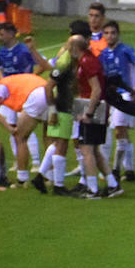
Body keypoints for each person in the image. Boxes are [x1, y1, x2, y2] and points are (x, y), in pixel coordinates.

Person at [98, 20, 135, 182]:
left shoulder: (126, 50)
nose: (110, 36)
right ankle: (130, 170)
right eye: (106, 33)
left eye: (113, 33)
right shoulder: (102, 54)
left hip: (125, 96)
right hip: (111, 97)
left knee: (120, 132)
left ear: (118, 34)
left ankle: (116, 169)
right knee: (121, 133)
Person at [0, 22, 47, 171]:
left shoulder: (24, 50)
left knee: (25, 128)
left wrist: (31, 77)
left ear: (11, 33)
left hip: (26, 93)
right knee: (12, 126)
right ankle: (19, 161)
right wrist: (3, 81)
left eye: (2, 34)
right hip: (9, 94)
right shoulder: (0, 52)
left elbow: (44, 64)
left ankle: (35, 161)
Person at [73, 33, 120, 198]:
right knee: (94, 149)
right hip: (87, 104)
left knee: (86, 149)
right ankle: (113, 184)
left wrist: (88, 112)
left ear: (75, 47)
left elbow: (97, 89)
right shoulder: (85, 60)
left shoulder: (87, 61)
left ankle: (92, 189)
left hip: (91, 106)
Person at [35, 34, 80, 196]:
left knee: (55, 144)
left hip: (61, 106)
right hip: (61, 107)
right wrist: (52, 110)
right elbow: (49, 86)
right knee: (62, 145)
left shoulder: (68, 60)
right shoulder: (64, 63)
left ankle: (40, 176)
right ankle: (58, 186)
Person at [0, 72, 46, 188]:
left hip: (35, 95)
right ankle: (50, 177)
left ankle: (22, 179)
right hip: (48, 91)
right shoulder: (14, 81)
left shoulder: (1, 86)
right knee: (48, 136)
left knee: (19, 137)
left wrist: (10, 129)